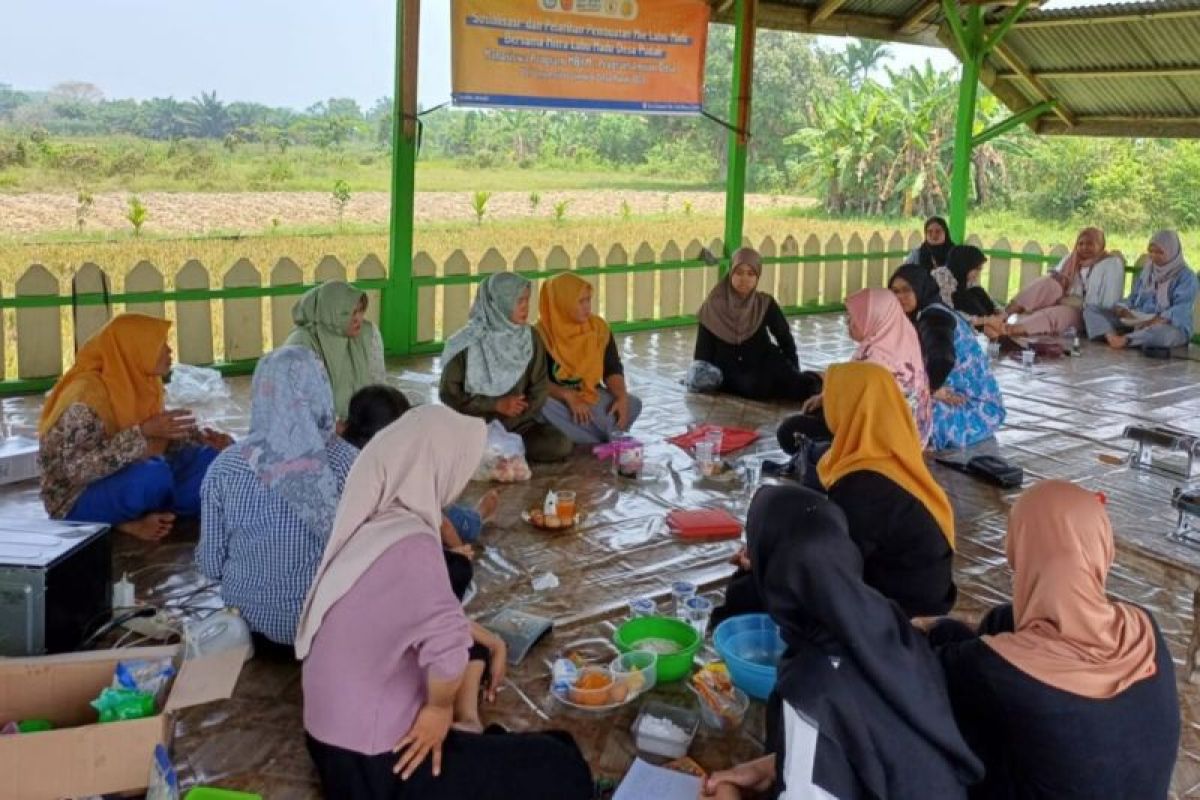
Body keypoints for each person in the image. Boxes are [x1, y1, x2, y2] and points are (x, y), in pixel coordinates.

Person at [297, 406, 594, 800]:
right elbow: (449, 647)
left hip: (327, 742)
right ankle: (463, 726)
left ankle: (467, 729)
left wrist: (488, 640)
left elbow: (421, 619)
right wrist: (438, 711)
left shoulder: (371, 525)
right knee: (561, 765)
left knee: (539, 744)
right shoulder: (414, 545)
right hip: (377, 765)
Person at [701, 485, 982, 800]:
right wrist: (772, 766)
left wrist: (728, 795)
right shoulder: (888, 626)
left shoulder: (815, 687)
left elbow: (825, 747)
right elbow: (877, 744)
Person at [927, 481, 1178, 799]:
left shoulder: (995, 667)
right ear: (1101, 545)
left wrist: (929, 627)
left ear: (1018, 548)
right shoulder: (1143, 626)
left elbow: (926, 665)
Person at [719, 362, 958, 625]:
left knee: (753, 590)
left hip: (902, 608)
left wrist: (765, 560)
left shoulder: (864, 483)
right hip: (922, 591)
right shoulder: (891, 453)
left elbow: (833, 566)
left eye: (832, 399)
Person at [339, 385, 505, 734]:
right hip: (375, 725)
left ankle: (469, 717)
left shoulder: (346, 467)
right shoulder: (402, 520)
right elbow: (427, 621)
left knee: (460, 639)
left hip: (345, 703)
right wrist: (438, 707)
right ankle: (466, 716)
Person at [198, 346, 357, 648]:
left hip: (246, 628)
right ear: (320, 391)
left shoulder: (225, 466)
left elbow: (210, 564)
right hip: (325, 630)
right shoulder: (348, 462)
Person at [38, 314, 227, 541]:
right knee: (151, 476)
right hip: (77, 497)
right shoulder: (85, 397)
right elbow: (76, 470)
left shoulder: (143, 381)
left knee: (214, 462)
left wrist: (205, 441)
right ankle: (123, 523)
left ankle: (158, 512)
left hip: (132, 473)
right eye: (159, 346)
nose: (169, 351)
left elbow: (159, 442)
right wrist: (143, 433)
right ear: (134, 350)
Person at [439, 272, 572, 462]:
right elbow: (448, 393)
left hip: (519, 426)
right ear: (498, 303)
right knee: (447, 447)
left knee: (560, 444)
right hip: (474, 424)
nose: (526, 307)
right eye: (519, 301)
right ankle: (497, 451)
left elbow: (540, 387)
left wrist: (518, 413)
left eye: (527, 300)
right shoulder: (466, 342)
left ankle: (501, 450)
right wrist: (495, 405)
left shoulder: (529, 338)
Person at [777, 288, 931, 451]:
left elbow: (851, 410)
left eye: (854, 317)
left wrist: (829, 398)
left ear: (873, 318)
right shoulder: (902, 335)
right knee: (818, 411)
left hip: (882, 444)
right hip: (912, 438)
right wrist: (825, 397)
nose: (847, 322)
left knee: (789, 431)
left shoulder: (875, 359)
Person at [890, 265, 1005, 451]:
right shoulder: (927, 311)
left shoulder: (934, 316)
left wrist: (930, 390)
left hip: (975, 409)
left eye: (906, 290)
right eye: (894, 291)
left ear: (921, 288)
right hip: (966, 401)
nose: (899, 297)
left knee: (898, 414)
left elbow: (942, 358)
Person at [689, 247, 822, 402]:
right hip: (729, 371)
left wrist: (794, 372)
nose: (744, 279)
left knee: (801, 389)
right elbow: (702, 355)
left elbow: (785, 338)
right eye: (739, 273)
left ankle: (817, 379)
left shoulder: (764, 304)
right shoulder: (713, 307)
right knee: (753, 388)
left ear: (757, 276)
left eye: (750, 274)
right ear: (731, 273)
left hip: (766, 363)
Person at [536, 272, 642, 444]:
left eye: (588, 300)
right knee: (541, 404)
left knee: (633, 404)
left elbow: (612, 368)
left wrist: (621, 397)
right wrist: (568, 396)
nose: (587, 307)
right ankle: (604, 435)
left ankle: (585, 436)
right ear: (562, 304)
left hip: (590, 394)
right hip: (558, 399)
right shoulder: (540, 335)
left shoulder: (598, 329)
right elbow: (536, 382)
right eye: (580, 301)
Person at [992, 226, 1125, 338]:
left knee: (1055, 314)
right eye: (1081, 244)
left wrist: (1079, 303)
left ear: (1101, 245)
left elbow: (1109, 303)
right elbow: (1055, 281)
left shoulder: (1111, 264)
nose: (1084, 248)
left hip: (1089, 314)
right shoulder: (1071, 259)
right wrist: (1061, 298)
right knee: (1047, 283)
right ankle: (1004, 314)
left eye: (1090, 244)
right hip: (1064, 300)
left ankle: (1010, 330)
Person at [284, 280, 387, 420]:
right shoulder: (301, 343)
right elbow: (294, 402)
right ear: (330, 313)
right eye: (351, 313)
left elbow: (379, 384)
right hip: (314, 427)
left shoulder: (368, 334)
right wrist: (333, 426)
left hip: (361, 422)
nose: (359, 319)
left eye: (361, 310)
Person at [1083, 229, 1198, 350]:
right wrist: (1123, 307)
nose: (1154, 256)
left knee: (1163, 334)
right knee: (1091, 310)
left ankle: (1127, 339)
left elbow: (1181, 309)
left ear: (1172, 252)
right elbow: (1134, 297)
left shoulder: (1186, 277)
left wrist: (1156, 320)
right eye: (1151, 252)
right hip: (1139, 319)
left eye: (1160, 252)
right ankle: (1111, 336)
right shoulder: (1148, 271)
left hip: (1169, 324)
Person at [946, 245, 1002, 323]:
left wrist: (997, 309)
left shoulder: (967, 282)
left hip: (981, 323)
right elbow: (949, 311)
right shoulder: (944, 284)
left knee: (977, 291)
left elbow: (990, 300)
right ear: (964, 266)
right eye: (977, 269)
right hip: (960, 324)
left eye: (980, 269)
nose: (978, 274)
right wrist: (984, 320)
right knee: (965, 297)